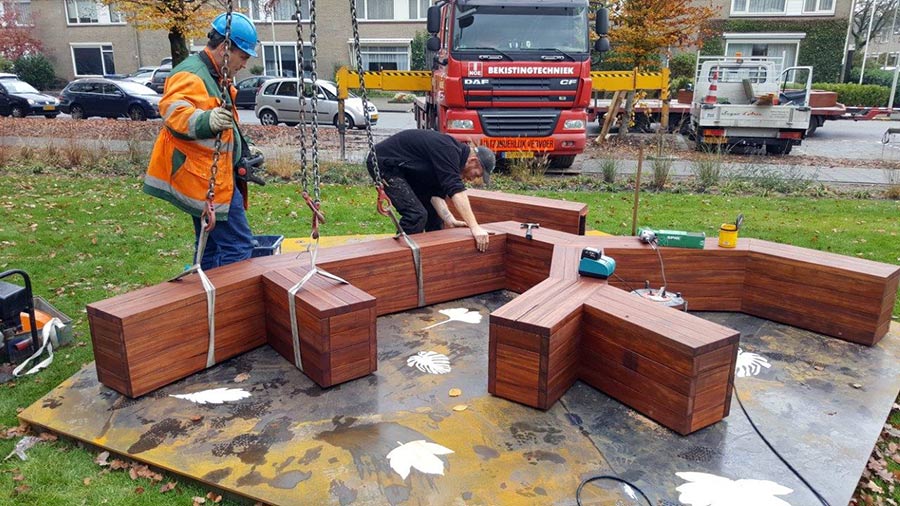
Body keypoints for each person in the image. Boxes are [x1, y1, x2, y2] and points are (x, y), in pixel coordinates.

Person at [143, 12, 263, 270]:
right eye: (243, 57)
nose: (244, 65)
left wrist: (244, 148)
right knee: (238, 247)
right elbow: (175, 113)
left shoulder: (214, 75)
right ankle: (233, 303)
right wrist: (206, 120)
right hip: (204, 178)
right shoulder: (192, 74)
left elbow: (225, 121)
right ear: (225, 49)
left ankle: (208, 299)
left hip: (208, 175)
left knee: (208, 245)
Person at [366, 129, 496, 252]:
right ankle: (399, 258)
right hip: (384, 163)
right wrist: (475, 227)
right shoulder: (449, 151)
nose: (473, 178)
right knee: (416, 215)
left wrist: (450, 219)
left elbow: (435, 195)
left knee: (435, 219)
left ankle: (431, 258)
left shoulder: (452, 160)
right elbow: (456, 190)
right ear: (473, 161)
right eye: (477, 174)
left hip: (406, 169)